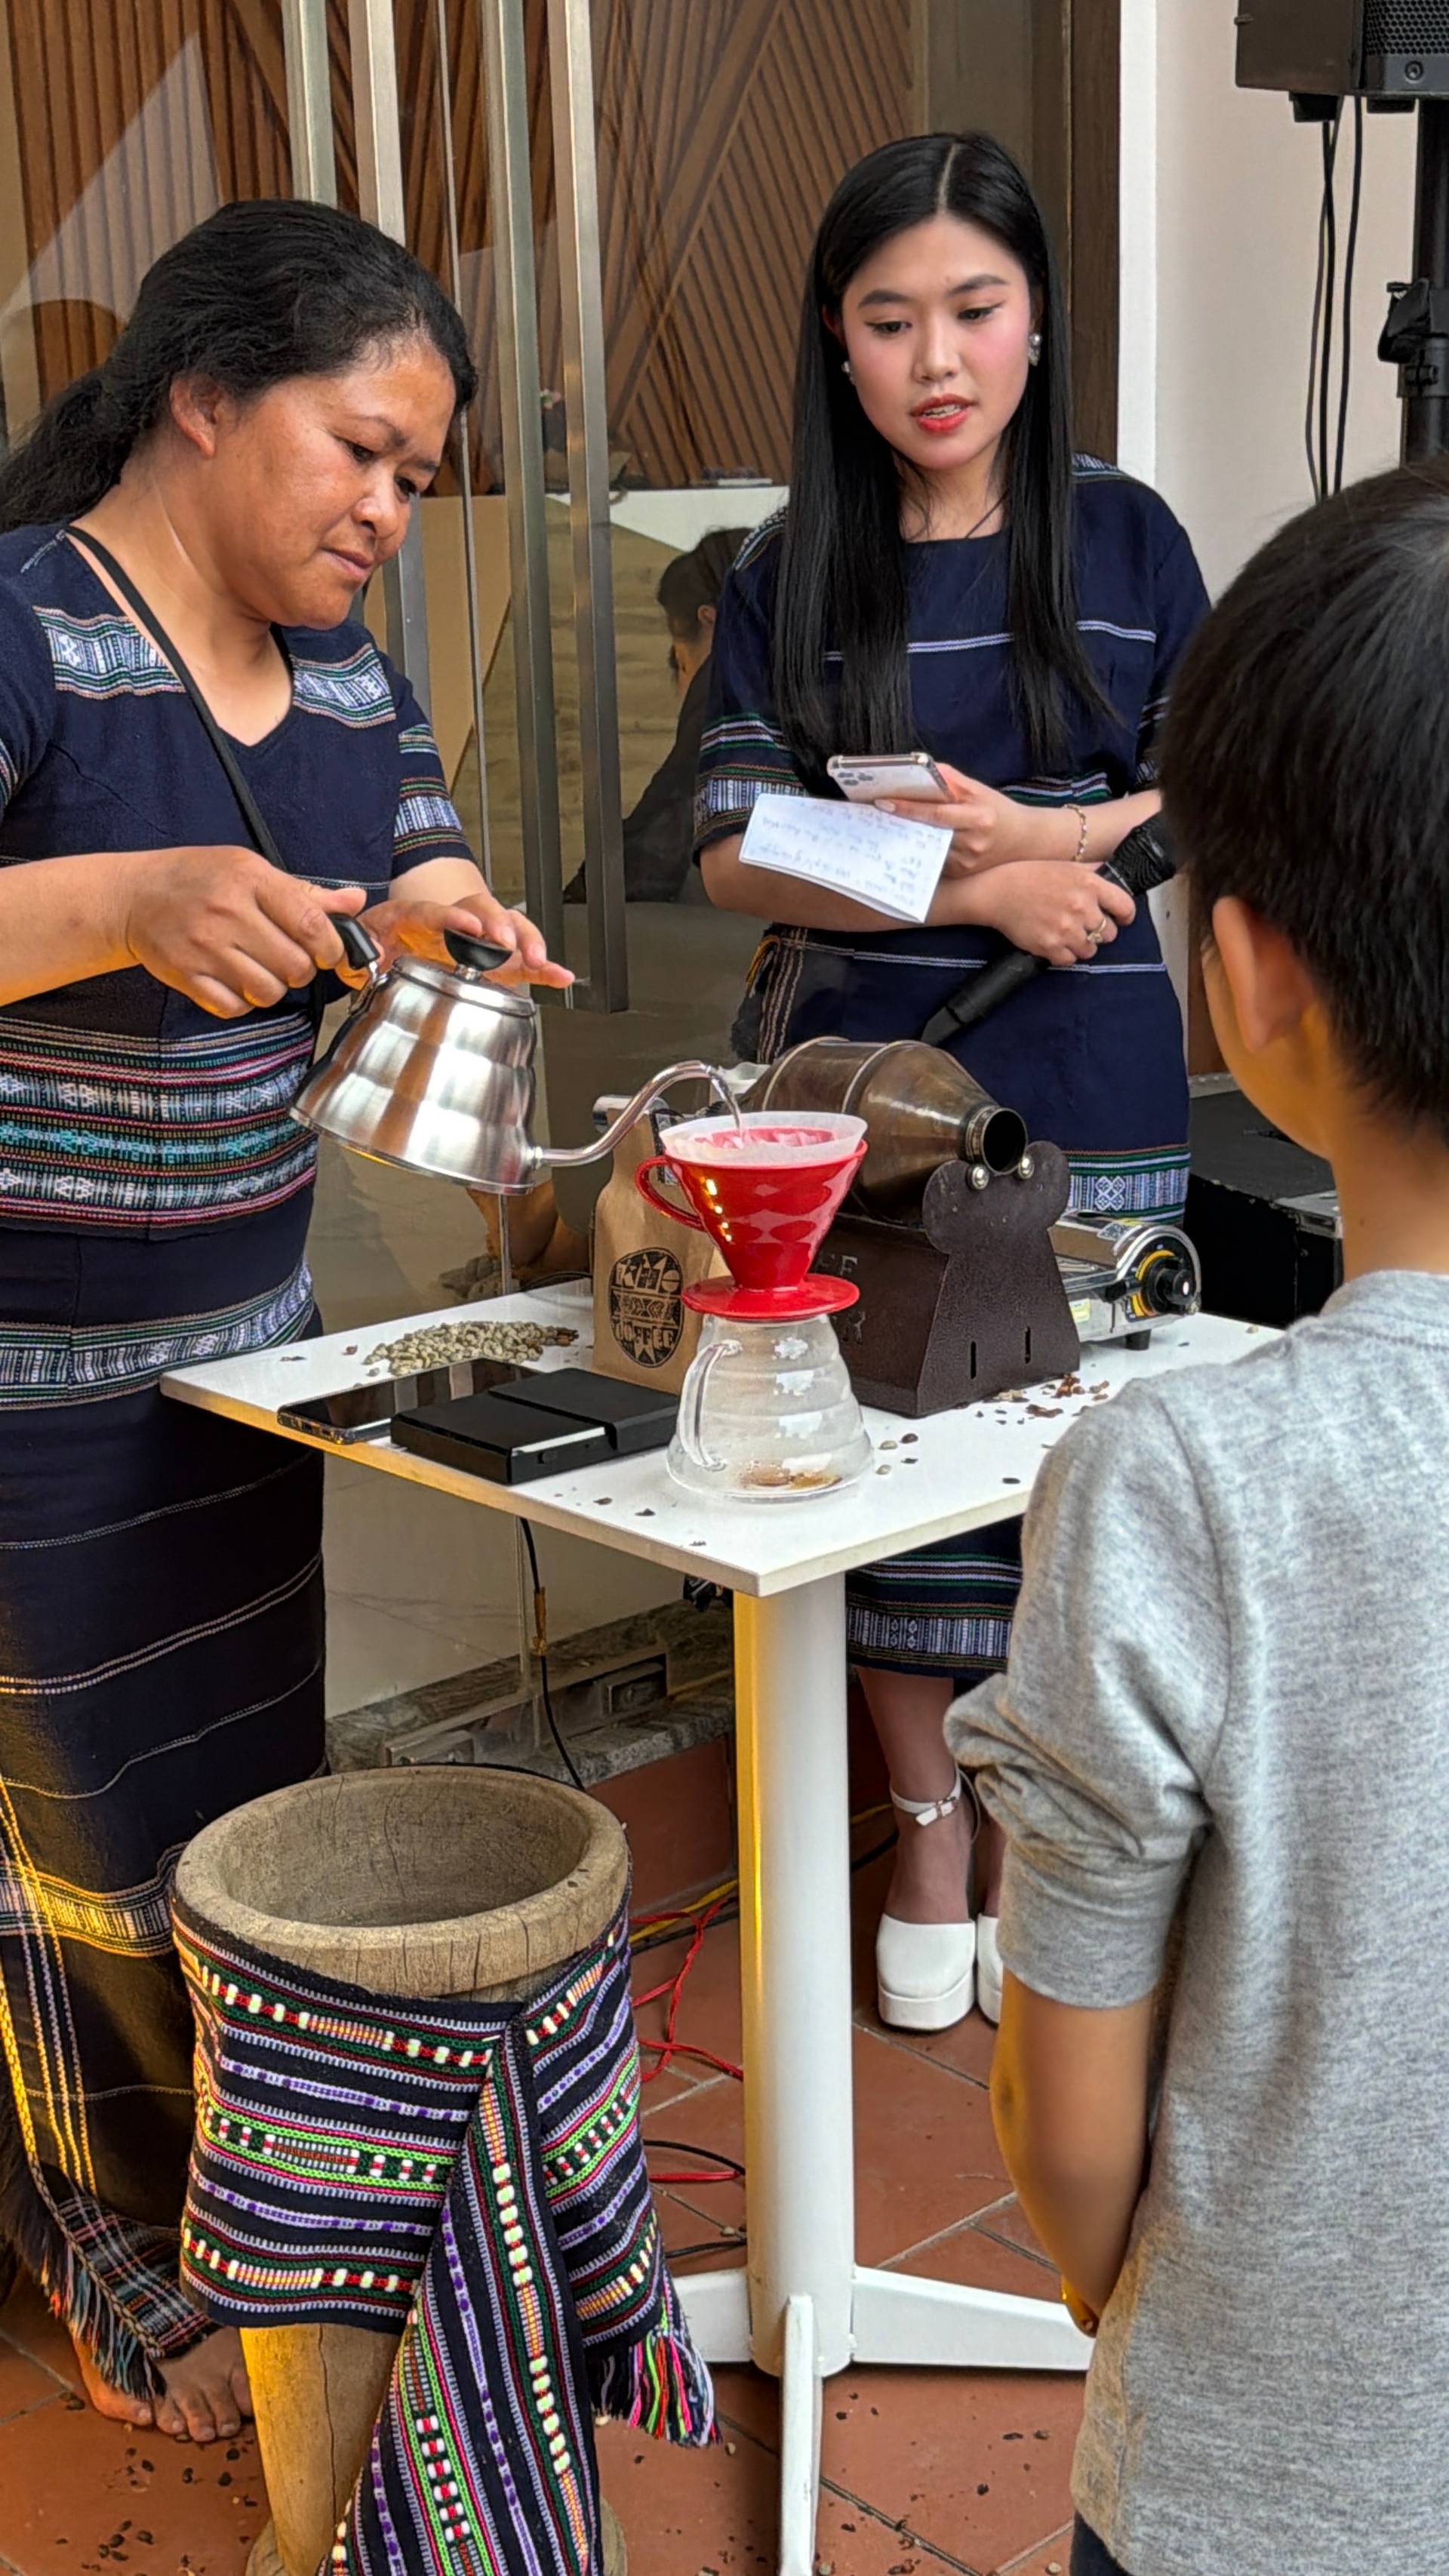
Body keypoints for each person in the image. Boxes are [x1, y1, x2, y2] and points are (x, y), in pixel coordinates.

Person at [0, 199, 568, 2443]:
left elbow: (404, 844)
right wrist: (124, 899)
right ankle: (96, 2239)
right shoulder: (30, 629)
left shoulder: (341, 672)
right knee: (65, 1850)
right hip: (26, 1390)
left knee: (238, 1815)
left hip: (255, 1358)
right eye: (361, 451)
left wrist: (449, 914)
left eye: (417, 478)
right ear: (203, 398)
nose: (385, 515)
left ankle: (251, 2207)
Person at [950, 458, 1449, 2574]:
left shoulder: (1186, 1483)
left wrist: (1104, 2285)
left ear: (1248, 979)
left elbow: (1075, 2142)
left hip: (1265, 2494)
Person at [694, 132, 1208, 2032]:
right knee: (893, 1458)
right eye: (889, 319)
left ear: (1036, 318)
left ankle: (1038, 1831)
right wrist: (978, 872)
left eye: (972, 312)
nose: (936, 359)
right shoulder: (785, 564)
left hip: (1092, 1063)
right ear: (836, 343)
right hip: (866, 1078)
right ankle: (924, 1823)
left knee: (1077, 1466)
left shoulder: (1129, 535)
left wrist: (1075, 842)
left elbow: (1213, 772)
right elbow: (737, 842)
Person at [565, 525, 748, 906]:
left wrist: (575, 902)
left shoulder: (730, 677)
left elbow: (661, 837)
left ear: (709, 619)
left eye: (682, 661)